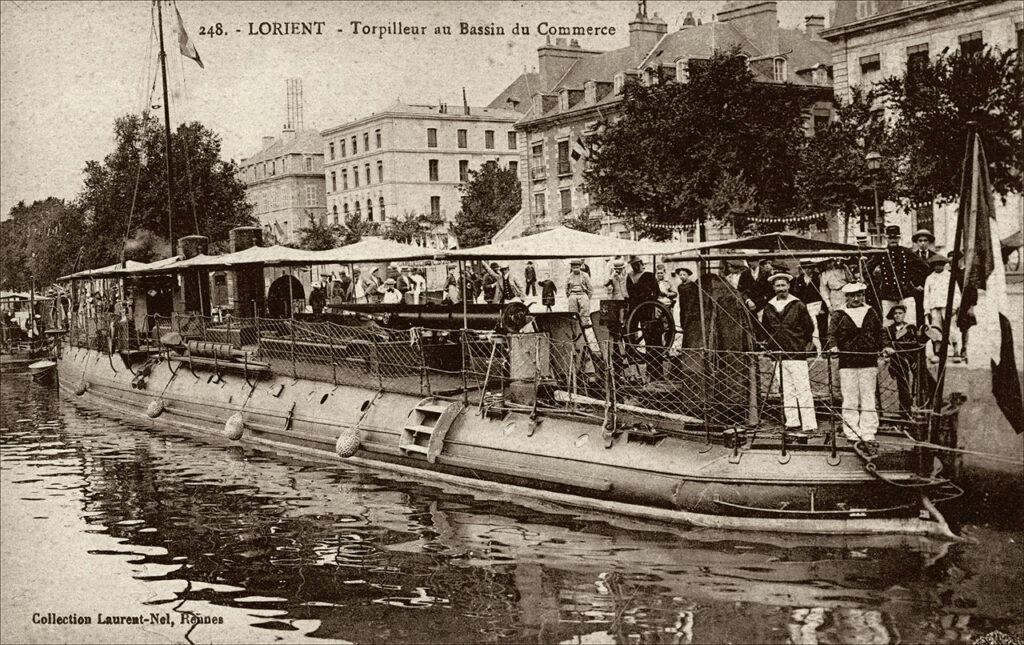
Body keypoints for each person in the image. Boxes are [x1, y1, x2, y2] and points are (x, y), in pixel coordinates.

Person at [826, 282, 893, 444]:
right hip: (847, 362)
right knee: (849, 398)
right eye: (853, 296)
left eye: (860, 295)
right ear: (847, 297)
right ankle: (852, 430)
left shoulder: (871, 312)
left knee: (868, 397)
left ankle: (868, 431)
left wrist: (886, 346)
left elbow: (881, 332)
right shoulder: (838, 314)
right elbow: (831, 334)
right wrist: (833, 346)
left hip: (868, 361)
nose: (857, 299)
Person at [761, 272, 818, 433]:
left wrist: (800, 344)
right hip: (777, 354)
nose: (781, 289)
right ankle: (792, 422)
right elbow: (765, 330)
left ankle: (809, 424)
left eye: (783, 285)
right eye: (778, 286)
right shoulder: (769, 307)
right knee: (786, 390)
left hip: (796, 353)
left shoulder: (798, 305)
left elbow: (809, 328)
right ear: (773, 288)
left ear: (788, 286)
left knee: (803, 389)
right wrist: (771, 345)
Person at [869, 225, 929, 325]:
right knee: (888, 323)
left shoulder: (907, 252)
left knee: (910, 322)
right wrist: (875, 284)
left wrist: (916, 283)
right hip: (887, 294)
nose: (893, 240)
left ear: (899, 238)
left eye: (895, 238)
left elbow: (924, 267)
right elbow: (867, 269)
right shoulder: (881, 253)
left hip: (906, 293)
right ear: (886, 238)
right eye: (891, 238)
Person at [922, 253, 961, 362]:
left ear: (944, 265)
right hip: (934, 307)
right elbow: (926, 295)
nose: (938, 267)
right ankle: (938, 353)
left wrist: (954, 306)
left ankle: (956, 351)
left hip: (947, 307)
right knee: (936, 330)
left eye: (940, 264)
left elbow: (956, 293)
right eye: (935, 265)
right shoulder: (929, 278)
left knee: (951, 328)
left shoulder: (950, 276)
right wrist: (927, 310)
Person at [885, 304, 923, 413]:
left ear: (904, 315)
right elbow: (886, 342)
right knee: (903, 384)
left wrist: (915, 360)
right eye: (895, 314)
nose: (897, 316)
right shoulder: (888, 329)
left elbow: (916, 345)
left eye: (900, 313)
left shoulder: (910, 328)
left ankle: (916, 405)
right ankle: (905, 410)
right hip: (897, 360)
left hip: (910, 359)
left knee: (919, 381)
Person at [792, 259, 825, 353]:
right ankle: (811, 348)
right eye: (804, 268)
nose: (807, 270)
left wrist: (823, 308)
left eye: (809, 268)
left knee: (820, 328)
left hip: (818, 306)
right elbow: (796, 293)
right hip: (805, 307)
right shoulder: (799, 279)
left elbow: (823, 292)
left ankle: (821, 349)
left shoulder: (818, 277)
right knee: (807, 327)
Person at [675, 267, 700, 347]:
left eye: (684, 275)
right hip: (683, 309)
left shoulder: (693, 285)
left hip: (691, 308)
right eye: (680, 275)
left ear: (688, 275)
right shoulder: (680, 286)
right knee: (684, 325)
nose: (682, 276)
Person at [565, 259, 593, 325]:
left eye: (577, 267)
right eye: (574, 268)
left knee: (585, 308)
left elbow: (590, 288)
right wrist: (568, 295)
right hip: (573, 294)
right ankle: (575, 323)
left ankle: (584, 322)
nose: (575, 269)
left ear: (580, 267)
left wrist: (588, 297)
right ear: (571, 268)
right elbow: (566, 287)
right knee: (572, 310)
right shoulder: (569, 276)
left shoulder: (585, 275)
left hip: (582, 293)